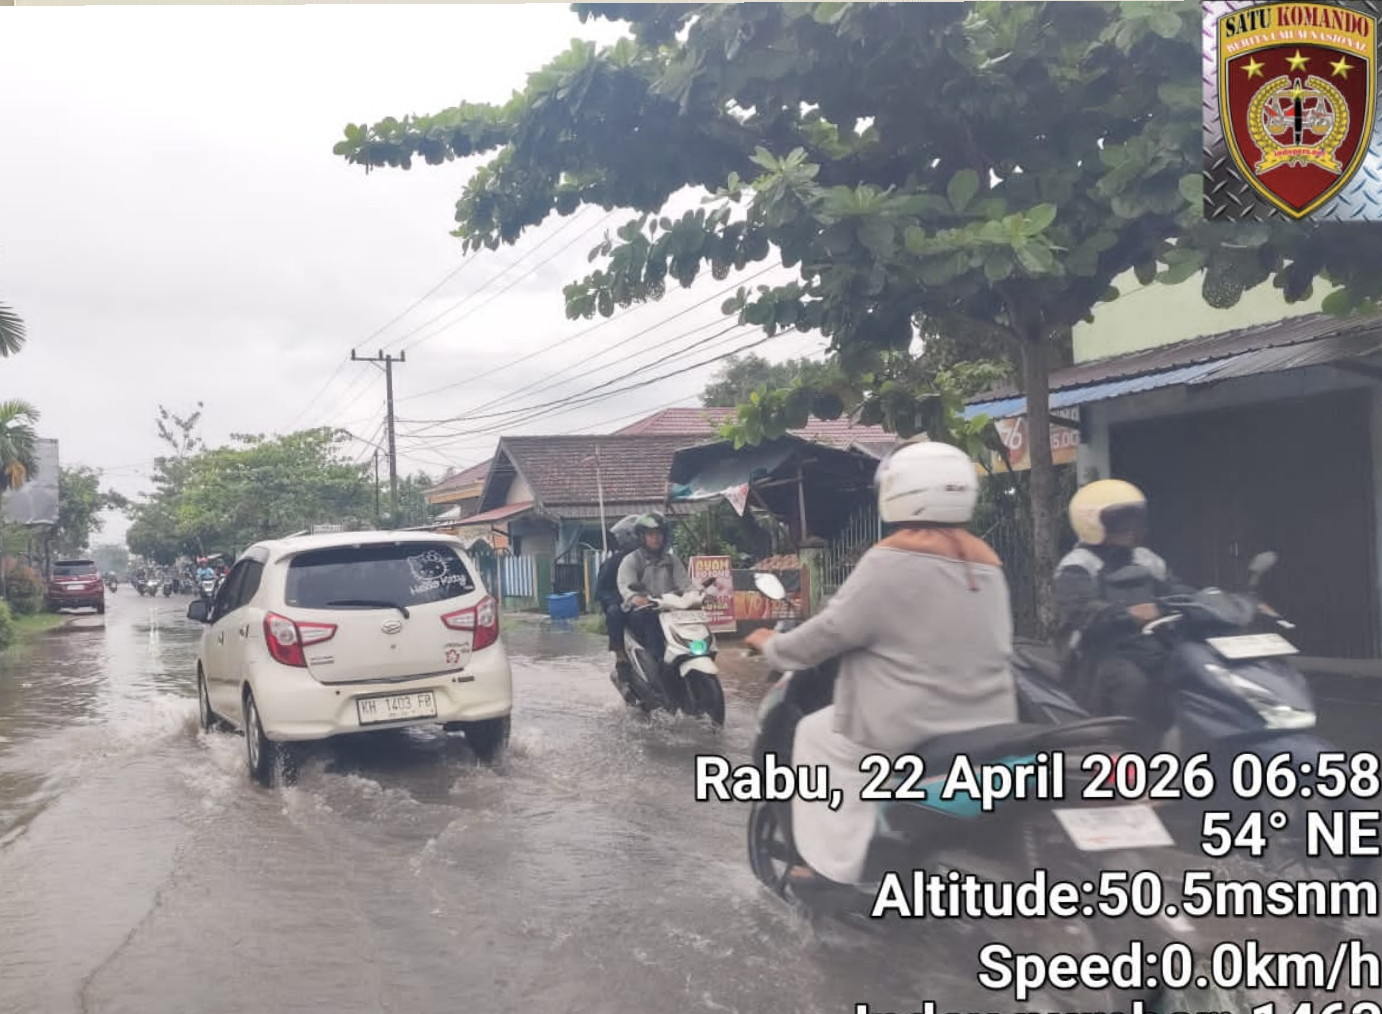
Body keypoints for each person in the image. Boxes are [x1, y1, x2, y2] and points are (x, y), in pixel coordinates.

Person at [743, 440, 1017, 889]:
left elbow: (829, 633)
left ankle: (827, 867)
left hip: (909, 726)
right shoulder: (986, 561)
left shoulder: (892, 557)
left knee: (815, 735)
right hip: (989, 722)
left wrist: (773, 645)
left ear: (899, 491)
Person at [1053, 479, 1196, 743]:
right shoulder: (1078, 565)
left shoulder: (1146, 558)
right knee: (1135, 686)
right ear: (1093, 523)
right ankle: (1135, 762)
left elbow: (1178, 591)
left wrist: (1212, 601)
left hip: (1150, 649)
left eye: (1134, 519)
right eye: (1121, 521)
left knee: (1195, 674)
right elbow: (1081, 610)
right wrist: (1127, 613)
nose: (1132, 528)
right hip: (1096, 656)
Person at [617, 512, 694, 672]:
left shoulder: (672, 560)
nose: (655, 538)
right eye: (650, 534)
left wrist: (700, 595)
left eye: (659, 534)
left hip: (671, 611)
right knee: (651, 624)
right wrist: (635, 598)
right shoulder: (632, 560)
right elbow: (625, 586)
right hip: (643, 611)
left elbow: (686, 584)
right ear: (641, 537)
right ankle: (657, 667)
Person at [596, 515, 642, 688]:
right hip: (625, 607)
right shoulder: (613, 563)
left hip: (651, 603)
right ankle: (620, 656)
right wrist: (622, 601)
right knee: (614, 612)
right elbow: (601, 591)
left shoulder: (657, 559)